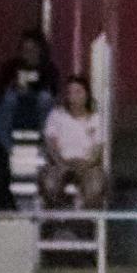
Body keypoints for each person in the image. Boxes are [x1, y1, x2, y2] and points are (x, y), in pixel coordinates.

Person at [39, 76, 106, 209]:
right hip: (60, 162)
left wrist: (86, 165)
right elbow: (50, 144)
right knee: (49, 184)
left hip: (87, 164)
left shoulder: (96, 118)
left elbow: (98, 149)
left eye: (78, 92)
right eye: (70, 92)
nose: (73, 96)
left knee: (95, 187)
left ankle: (86, 223)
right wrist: (60, 163)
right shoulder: (56, 115)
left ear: (86, 95)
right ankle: (58, 219)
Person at [0, 28, 59, 152]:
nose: (29, 53)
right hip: (15, 115)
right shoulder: (11, 66)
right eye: (25, 50)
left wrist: (37, 86)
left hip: (38, 117)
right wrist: (13, 87)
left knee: (45, 98)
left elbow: (54, 92)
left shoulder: (49, 68)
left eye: (33, 49)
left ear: (40, 50)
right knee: (9, 97)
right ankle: (3, 150)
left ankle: (47, 149)